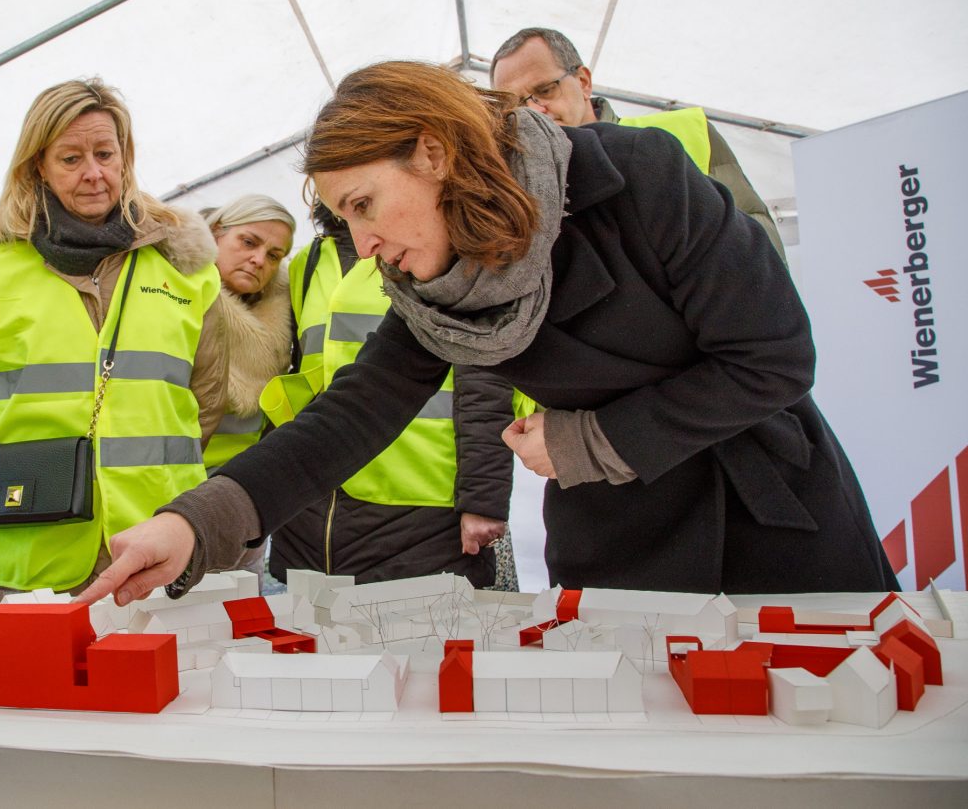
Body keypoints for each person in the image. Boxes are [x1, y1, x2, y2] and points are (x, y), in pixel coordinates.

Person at [78, 60, 898, 608]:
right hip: (623, 547)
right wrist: (193, 524)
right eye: (343, 218)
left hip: (768, 520)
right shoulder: (433, 289)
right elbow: (347, 417)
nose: (360, 245)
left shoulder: (641, 179)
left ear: (432, 153)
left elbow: (775, 356)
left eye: (363, 204)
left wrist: (585, 442)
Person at [0, 78, 227, 603]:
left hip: (153, 541)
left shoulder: (187, 273)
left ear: (125, 160)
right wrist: (28, 488)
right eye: (71, 158)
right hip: (28, 552)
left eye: (105, 154)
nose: (93, 173)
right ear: (38, 168)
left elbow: (207, 400)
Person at [262, 202, 510, 589]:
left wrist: (482, 500)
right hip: (314, 510)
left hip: (421, 505)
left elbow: (484, 384)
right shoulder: (307, 263)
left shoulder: (436, 250)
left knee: (419, 641)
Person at [489, 27, 785, 261]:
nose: (535, 111)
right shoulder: (516, 184)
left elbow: (759, 238)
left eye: (545, 90)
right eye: (516, 106)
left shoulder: (684, 131)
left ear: (582, 81)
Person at [201, 194, 295, 473]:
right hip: (169, 478)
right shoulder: (172, 297)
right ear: (216, 232)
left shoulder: (287, 319)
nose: (258, 260)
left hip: (240, 480)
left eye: (274, 256)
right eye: (249, 242)